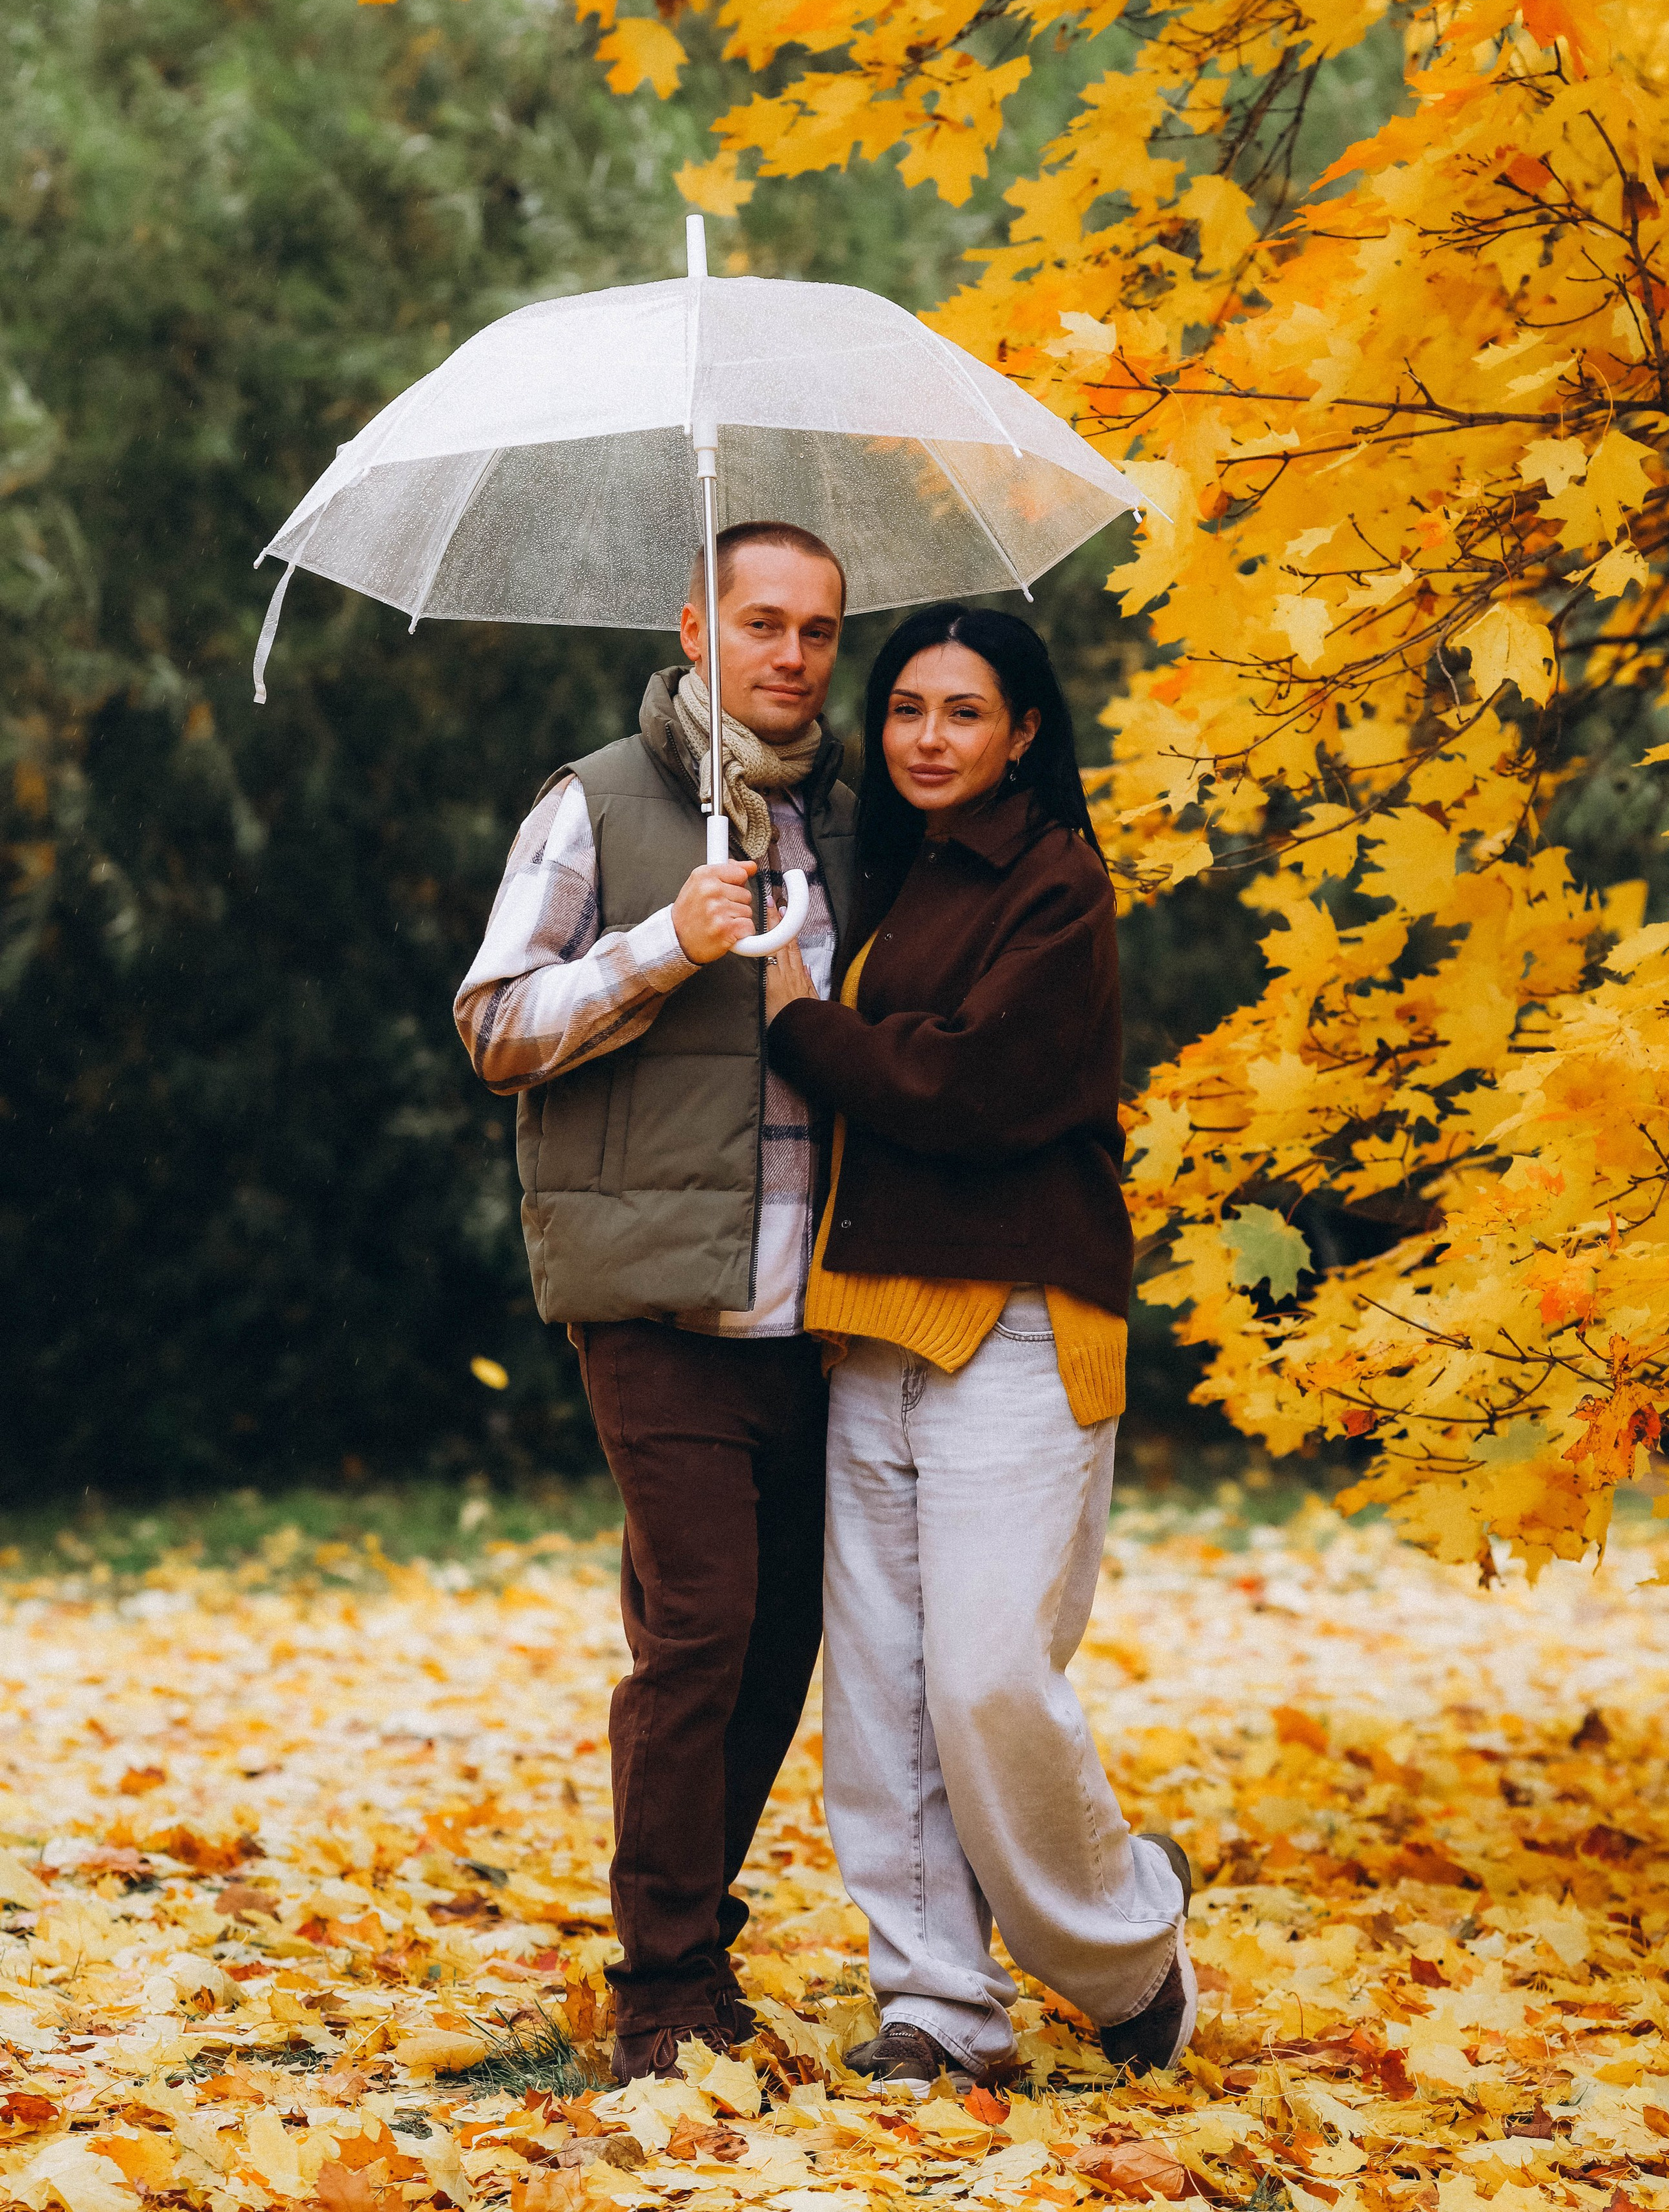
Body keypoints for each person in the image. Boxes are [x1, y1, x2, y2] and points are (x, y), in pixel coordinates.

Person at [763, 606, 1196, 2094]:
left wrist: (797, 1025)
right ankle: (938, 2008)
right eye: (904, 710)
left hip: (1015, 1315)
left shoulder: (1057, 885)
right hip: (869, 1320)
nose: (928, 737)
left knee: (989, 1679)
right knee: (880, 1695)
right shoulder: (881, 878)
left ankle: (1129, 1949)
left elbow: (973, 1089)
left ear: (1023, 733)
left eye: (963, 711)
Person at [453, 521, 854, 2084]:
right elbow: (494, 1025)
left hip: (823, 1305)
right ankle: (664, 1987)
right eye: (760, 621)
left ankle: (689, 1928)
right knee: (699, 1627)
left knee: (782, 1638)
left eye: (817, 630)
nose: (790, 655)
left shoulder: (848, 818)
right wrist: (655, 947)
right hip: (656, 1303)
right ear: (696, 625)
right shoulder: (594, 804)